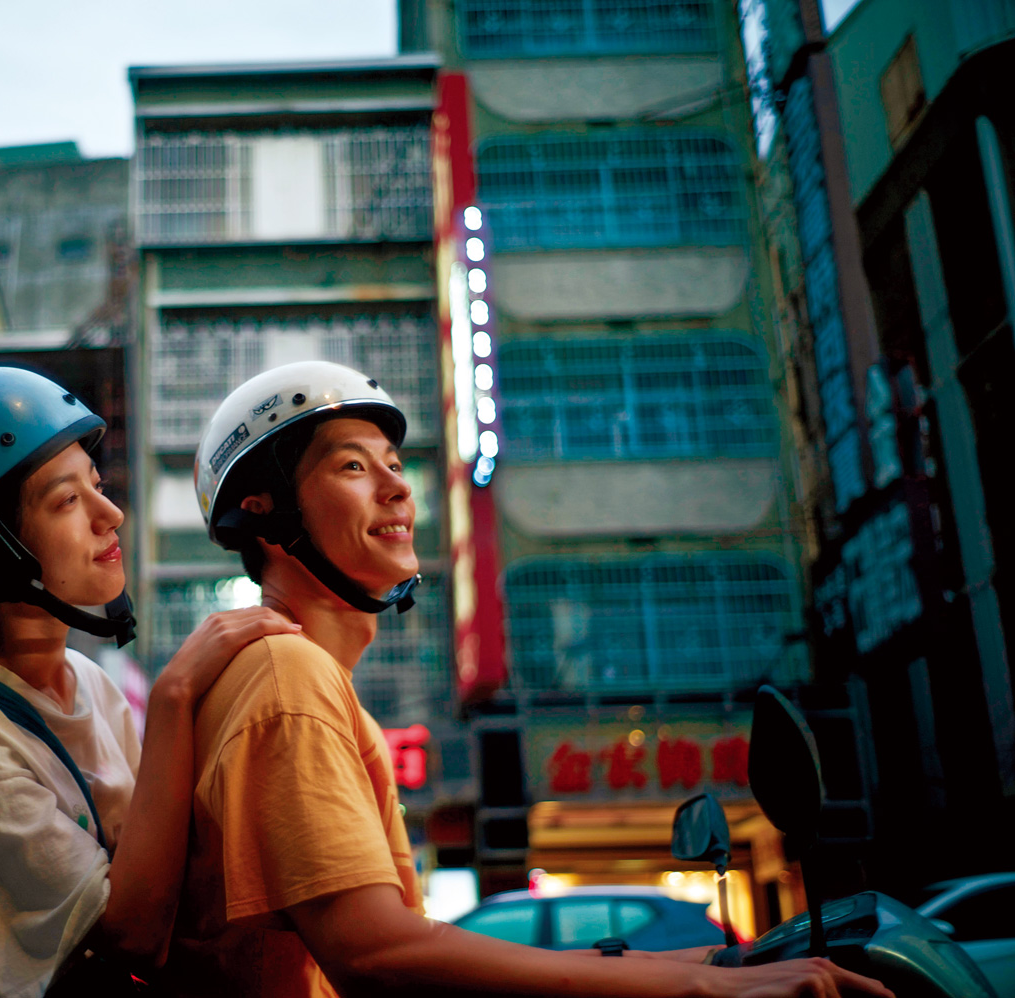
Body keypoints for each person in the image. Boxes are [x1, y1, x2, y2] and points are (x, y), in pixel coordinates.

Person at [164, 360, 894, 998]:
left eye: (393, 463)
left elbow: (418, 957)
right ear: (264, 518)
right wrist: (702, 985)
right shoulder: (286, 676)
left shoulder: (287, 675)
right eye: (353, 466)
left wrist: (701, 961)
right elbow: (378, 957)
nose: (397, 488)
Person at [0, 366, 296, 997]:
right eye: (67, 500)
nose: (112, 515)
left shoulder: (90, 685)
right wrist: (175, 697)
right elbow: (127, 934)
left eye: (96, 485)